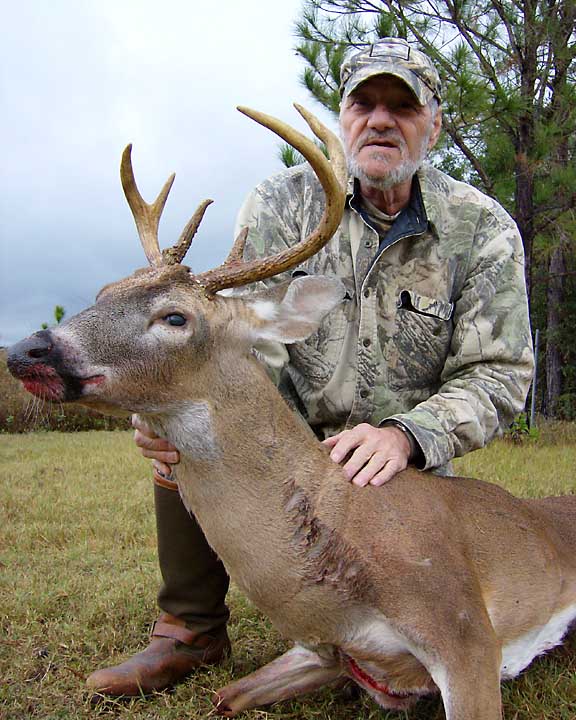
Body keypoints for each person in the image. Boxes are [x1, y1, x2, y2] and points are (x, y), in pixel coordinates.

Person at [86, 37, 534, 696]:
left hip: (404, 465)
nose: (381, 119)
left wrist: (409, 434)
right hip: (292, 441)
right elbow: (237, 341)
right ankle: (190, 628)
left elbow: (500, 373)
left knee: (423, 601)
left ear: (433, 122)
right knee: (187, 431)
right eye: (365, 102)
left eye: (403, 106)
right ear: (343, 115)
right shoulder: (282, 206)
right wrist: (181, 410)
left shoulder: (480, 229)